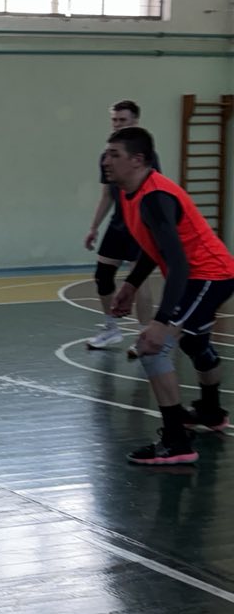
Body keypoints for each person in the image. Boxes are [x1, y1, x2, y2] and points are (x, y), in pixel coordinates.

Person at [105, 125, 234, 465]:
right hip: (205, 274)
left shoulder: (155, 198)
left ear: (137, 160)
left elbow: (178, 264)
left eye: (115, 155)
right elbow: (154, 248)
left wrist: (161, 322)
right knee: (194, 343)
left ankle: (177, 441)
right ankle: (211, 412)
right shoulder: (131, 194)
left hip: (208, 275)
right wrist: (131, 284)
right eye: (107, 154)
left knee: (152, 346)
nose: (106, 161)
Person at [85, 99, 153, 350]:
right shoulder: (107, 156)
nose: (117, 124)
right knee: (102, 276)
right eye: (114, 119)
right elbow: (106, 195)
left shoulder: (143, 155)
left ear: (135, 121)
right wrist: (94, 227)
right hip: (117, 225)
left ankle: (145, 336)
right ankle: (111, 328)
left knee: (139, 279)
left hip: (139, 224)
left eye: (122, 120)